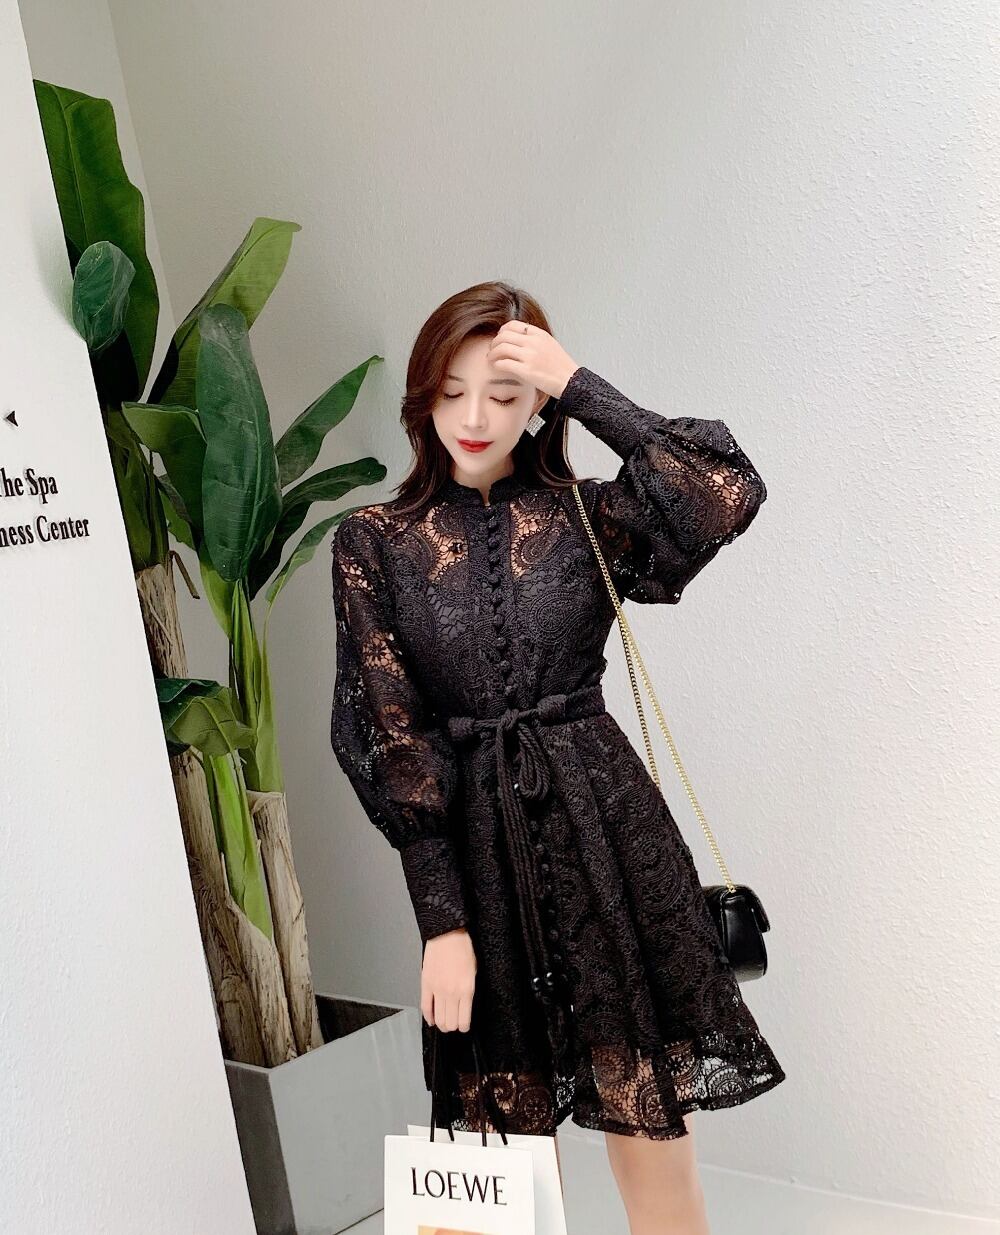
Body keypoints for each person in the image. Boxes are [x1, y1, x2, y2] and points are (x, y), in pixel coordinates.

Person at [330, 280, 785, 1235]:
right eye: (451, 392)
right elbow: (392, 736)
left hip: (611, 845)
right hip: (478, 868)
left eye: (504, 393)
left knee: (652, 1141)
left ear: (536, 403)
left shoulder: (589, 515)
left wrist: (580, 382)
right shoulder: (375, 543)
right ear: (422, 397)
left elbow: (723, 490)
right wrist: (442, 921)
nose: (474, 418)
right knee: (494, 1181)